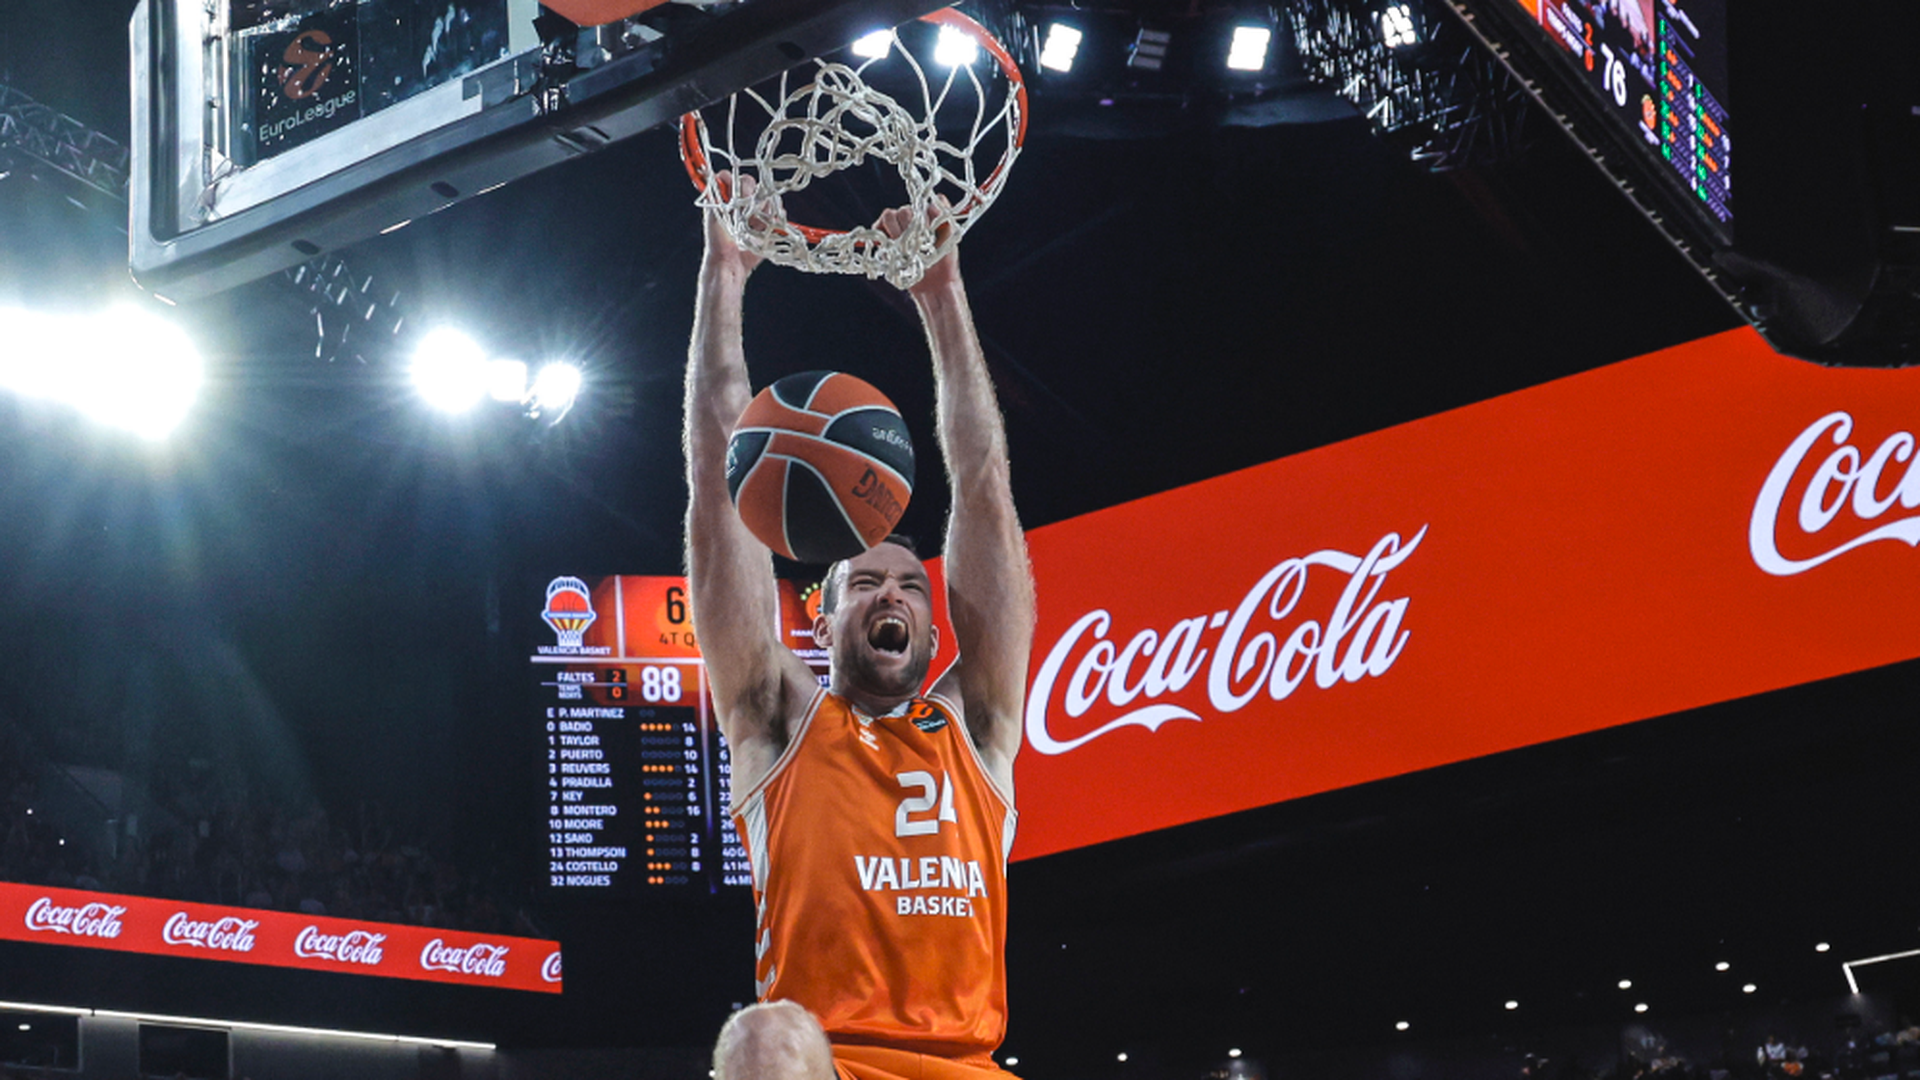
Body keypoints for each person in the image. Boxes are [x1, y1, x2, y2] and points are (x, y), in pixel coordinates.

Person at [683, 180, 1035, 1080]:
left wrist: (942, 292)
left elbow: (984, 484)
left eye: (912, 587)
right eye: (866, 582)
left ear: (934, 628)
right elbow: (717, 480)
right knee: (764, 1037)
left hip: (969, 1068)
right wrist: (724, 273)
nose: (892, 596)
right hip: (833, 1067)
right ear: (824, 613)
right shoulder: (777, 719)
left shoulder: (976, 726)